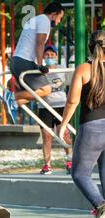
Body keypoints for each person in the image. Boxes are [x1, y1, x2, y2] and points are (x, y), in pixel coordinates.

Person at [59, 30, 105, 218]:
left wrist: (63, 125)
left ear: (90, 46)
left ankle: (101, 207)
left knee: (79, 173)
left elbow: (72, 101)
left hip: (92, 128)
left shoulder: (84, 70)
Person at [4, 1, 65, 122]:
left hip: (16, 61)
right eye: (60, 18)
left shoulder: (36, 20)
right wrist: (41, 65)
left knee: (35, 93)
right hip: (24, 61)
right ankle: (12, 97)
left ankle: (13, 103)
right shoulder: (44, 21)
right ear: (53, 14)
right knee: (46, 90)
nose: (59, 22)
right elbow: (40, 43)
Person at [38, 45, 72, 175]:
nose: (50, 57)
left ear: (56, 57)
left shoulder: (62, 69)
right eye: (47, 55)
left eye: (52, 55)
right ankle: (47, 164)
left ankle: (69, 161)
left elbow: (71, 83)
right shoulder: (38, 70)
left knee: (64, 134)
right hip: (45, 107)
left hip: (60, 105)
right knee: (47, 137)